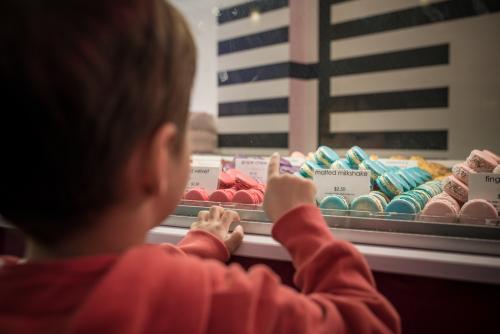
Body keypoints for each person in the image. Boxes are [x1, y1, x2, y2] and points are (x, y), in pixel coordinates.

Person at [0, 0, 400, 333]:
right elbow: (365, 320)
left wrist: (198, 247)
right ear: (158, 160)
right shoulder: (213, 304)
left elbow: (102, 283)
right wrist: (302, 223)